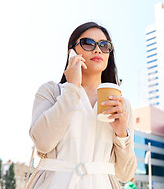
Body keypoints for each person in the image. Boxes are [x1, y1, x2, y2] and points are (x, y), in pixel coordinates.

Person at [28, 22, 137, 188]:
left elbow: (125, 174)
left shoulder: (121, 104)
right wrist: (72, 89)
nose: (97, 50)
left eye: (104, 45)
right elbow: (43, 143)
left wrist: (122, 134)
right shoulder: (51, 91)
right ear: (71, 52)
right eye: (88, 43)